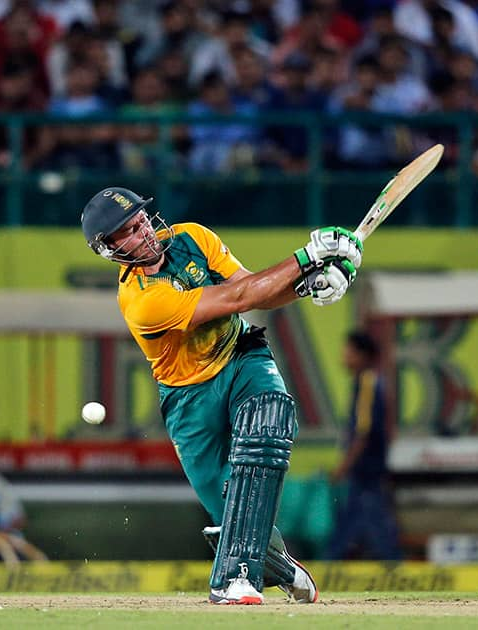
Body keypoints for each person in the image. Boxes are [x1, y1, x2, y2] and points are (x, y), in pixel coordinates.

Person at [80, 187, 363, 605]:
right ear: (110, 249)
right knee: (231, 506)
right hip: (188, 397)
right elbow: (237, 298)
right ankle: (278, 565)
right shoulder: (143, 300)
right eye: (126, 230)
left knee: (269, 420)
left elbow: (254, 289)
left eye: (140, 218)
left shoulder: (193, 237)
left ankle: (231, 579)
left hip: (239, 355)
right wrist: (307, 257)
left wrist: (309, 284)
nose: (142, 229)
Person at [325, 330, 402, 560]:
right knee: (362, 517)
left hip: (366, 465)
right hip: (368, 465)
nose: (344, 357)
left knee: (366, 517)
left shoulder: (368, 383)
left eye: (348, 352)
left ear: (362, 355)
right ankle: (334, 559)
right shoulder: (368, 381)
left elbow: (363, 431)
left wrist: (345, 465)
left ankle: (331, 562)